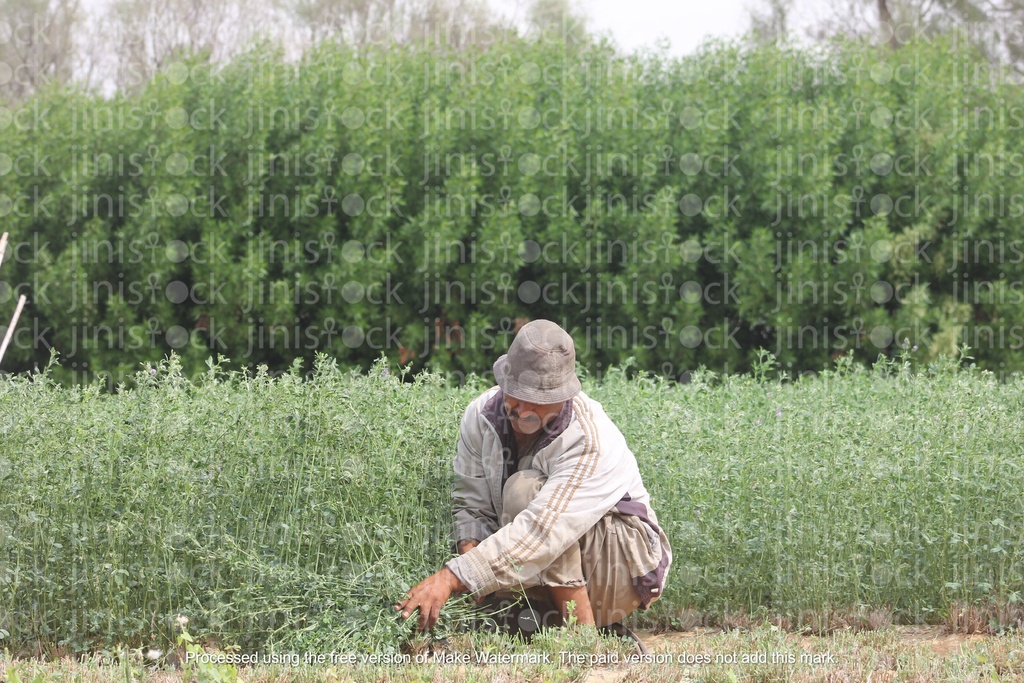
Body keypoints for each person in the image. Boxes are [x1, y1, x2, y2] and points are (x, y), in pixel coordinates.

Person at [396, 319, 671, 635]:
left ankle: (581, 635)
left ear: (562, 395)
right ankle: (548, 620)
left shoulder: (589, 439)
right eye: (516, 393)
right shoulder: (480, 415)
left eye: (538, 399)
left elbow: (542, 531)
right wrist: (475, 586)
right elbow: (471, 507)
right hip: (545, 557)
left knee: (523, 491)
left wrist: (452, 577)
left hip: (624, 569)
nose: (523, 408)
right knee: (485, 605)